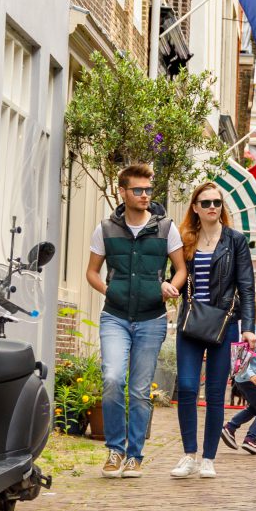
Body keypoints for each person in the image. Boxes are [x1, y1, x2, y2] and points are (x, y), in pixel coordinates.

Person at [86, 164, 188, 479]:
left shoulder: (166, 228)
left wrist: (171, 287)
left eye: (148, 190)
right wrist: (109, 290)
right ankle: (115, 450)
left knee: (140, 390)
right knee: (113, 379)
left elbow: (181, 270)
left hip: (152, 319)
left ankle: (135, 456)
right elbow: (92, 272)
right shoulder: (106, 229)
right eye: (138, 190)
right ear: (123, 192)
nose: (145, 195)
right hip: (114, 317)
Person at [169, 182, 256, 480]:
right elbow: (174, 275)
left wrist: (248, 328)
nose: (212, 207)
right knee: (187, 387)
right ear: (195, 207)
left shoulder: (235, 241)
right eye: (205, 202)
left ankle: (208, 458)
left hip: (225, 324)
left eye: (217, 203)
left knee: (216, 393)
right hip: (190, 323)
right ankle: (189, 455)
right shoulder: (184, 239)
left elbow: (246, 287)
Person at [224, 296, 256, 455]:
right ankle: (250, 439)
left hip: (247, 379)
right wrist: (252, 375)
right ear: (252, 315)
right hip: (248, 379)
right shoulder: (251, 333)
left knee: (254, 408)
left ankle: (230, 428)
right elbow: (241, 357)